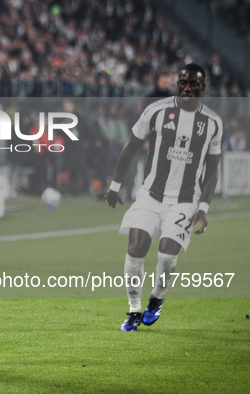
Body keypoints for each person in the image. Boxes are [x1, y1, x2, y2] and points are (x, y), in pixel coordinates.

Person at [104, 63, 223, 332]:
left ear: (203, 87)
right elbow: (130, 147)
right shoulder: (157, 111)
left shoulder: (213, 123)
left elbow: (213, 169)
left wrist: (203, 208)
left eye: (194, 83)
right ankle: (134, 310)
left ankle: (156, 298)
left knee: (167, 256)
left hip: (184, 200)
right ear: (176, 84)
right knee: (135, 250)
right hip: (150, 196)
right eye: (183, 82)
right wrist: (115, 185)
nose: (188, 88)